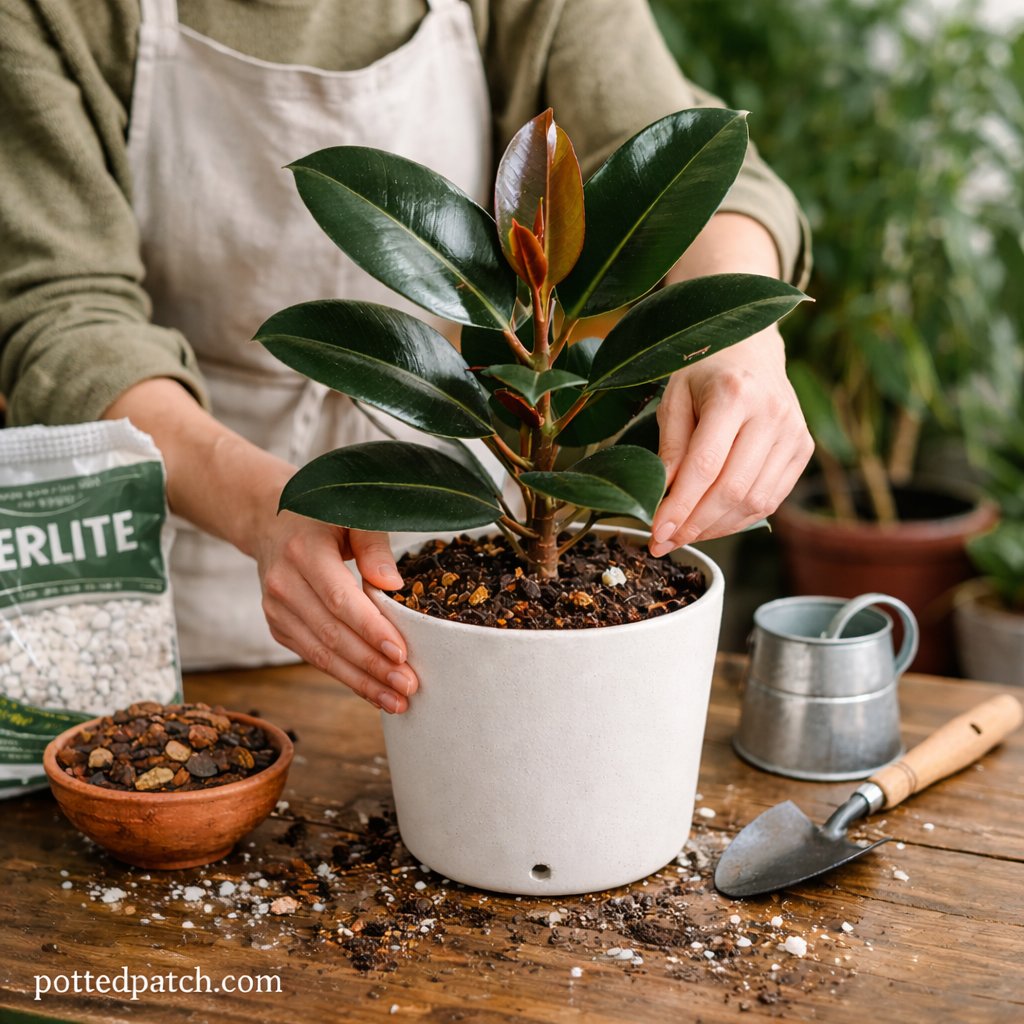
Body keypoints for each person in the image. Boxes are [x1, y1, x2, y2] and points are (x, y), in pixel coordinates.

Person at [0, 0, 814, 714]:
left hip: (446, 551)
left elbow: (681, 167)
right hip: (182, 572)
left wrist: (733, 336)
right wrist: (261, 510)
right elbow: (66, 317)